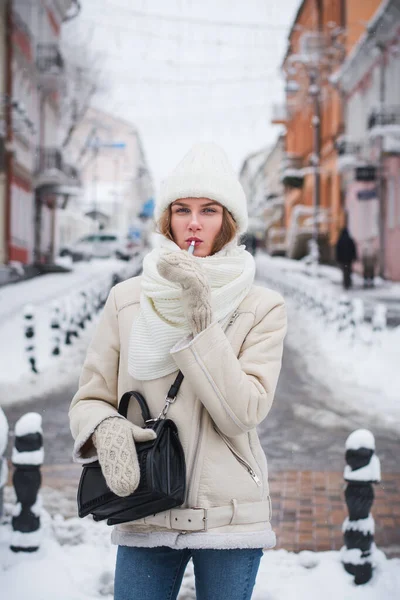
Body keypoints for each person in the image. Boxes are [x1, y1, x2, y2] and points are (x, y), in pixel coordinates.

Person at [69, 142, 287, 600]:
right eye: (182, 209)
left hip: (228, 515)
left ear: (228, 221)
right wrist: (105, 427)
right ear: (166, 218)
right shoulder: (127, 299)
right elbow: (91, 396)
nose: (194, 222)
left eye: (209, 210)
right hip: (144, 505)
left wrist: (201, 321)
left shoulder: (262, 307)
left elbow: (243, 411)